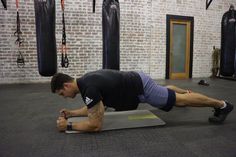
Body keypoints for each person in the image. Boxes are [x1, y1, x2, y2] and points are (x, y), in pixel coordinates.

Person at [51, 69, 234, 132]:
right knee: (165, 93)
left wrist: (68, 126)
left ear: (66, 86)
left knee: (179, 101)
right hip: (137, 79)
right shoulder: (85, 81)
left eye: (61, 94)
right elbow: (95, 108)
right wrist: (72, 114)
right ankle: (186, 92)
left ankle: (222, 105)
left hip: (140, 87)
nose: (64, 97)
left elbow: (95, 124)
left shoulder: (88, 88)